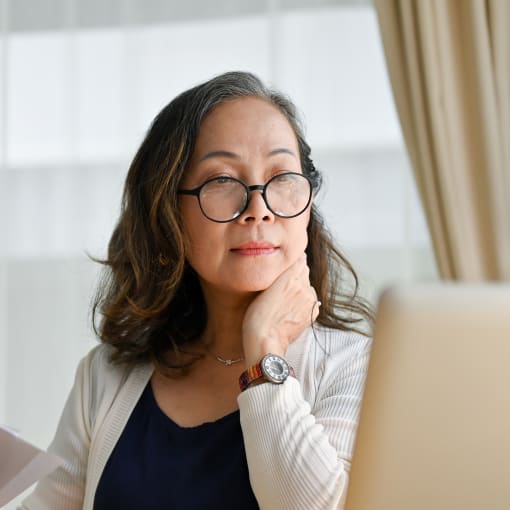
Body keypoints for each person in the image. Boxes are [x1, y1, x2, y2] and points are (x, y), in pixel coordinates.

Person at [20, 71, 373, 510]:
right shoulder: (105, 375)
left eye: (282, 176)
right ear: (168, 213)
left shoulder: (360, 368)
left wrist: (264, 350)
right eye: (222, 181)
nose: (258, 209)